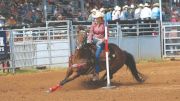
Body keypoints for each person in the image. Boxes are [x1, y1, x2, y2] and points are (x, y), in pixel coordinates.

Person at [88, 11, 106, 81]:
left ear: (101, 18)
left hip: (101, 41)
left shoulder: (104, 25)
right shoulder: (93, 24)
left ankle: (96, 73)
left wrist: (103, 40)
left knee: (97, 56)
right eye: (95, 18)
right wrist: (89, 40)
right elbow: (91, 33)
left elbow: (107, 35)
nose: (96, 19)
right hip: (94, 40)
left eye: (97, 18)